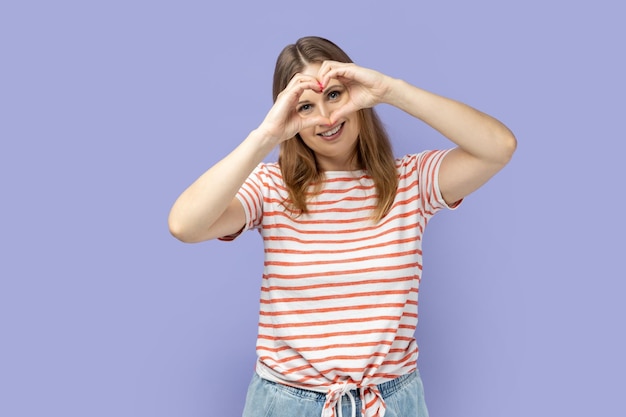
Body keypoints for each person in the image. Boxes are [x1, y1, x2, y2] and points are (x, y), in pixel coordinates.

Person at [168, 36, 516, 417]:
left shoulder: (411, 182)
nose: (326, 118)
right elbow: (185, 225)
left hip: (390, 402)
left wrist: (391, 90)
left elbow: (499, 146)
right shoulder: (270, 187)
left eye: (333, 95)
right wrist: (266, 135)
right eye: (305, 106)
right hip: (288, 403)